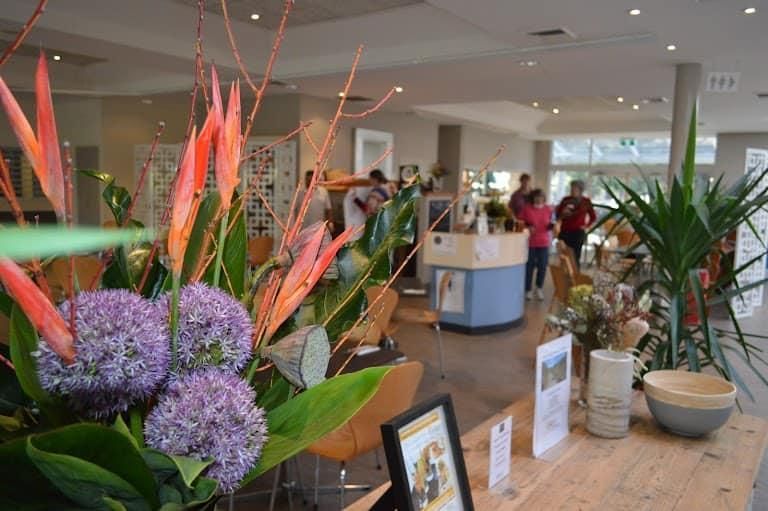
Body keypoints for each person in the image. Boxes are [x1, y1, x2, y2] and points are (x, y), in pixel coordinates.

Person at [519, 189, 553, 300]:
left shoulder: (548, 209)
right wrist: (527, 226)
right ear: (533, 198)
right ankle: (527, 290)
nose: (538, 199)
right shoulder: (527, 208)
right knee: (529, 267)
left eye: (541, 197)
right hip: (530, 242)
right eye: (536, 197)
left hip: (543, 242)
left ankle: (539, 288)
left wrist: (552, 226)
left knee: (542, 266)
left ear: (544, 198)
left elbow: (551, 222)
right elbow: (520, 222)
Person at [555, 180, 596, 268]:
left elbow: (593, 217)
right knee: (564, 256)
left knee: (575, 257)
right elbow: (557, 215)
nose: (572, 190)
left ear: (580, 190)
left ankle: (575, 278)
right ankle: (563, 278)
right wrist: (563, 213)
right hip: (565, 231)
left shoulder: (586, 201)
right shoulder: (565, 200)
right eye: (571, 188)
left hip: (578, 233)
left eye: (575, 188)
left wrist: (586, 225)